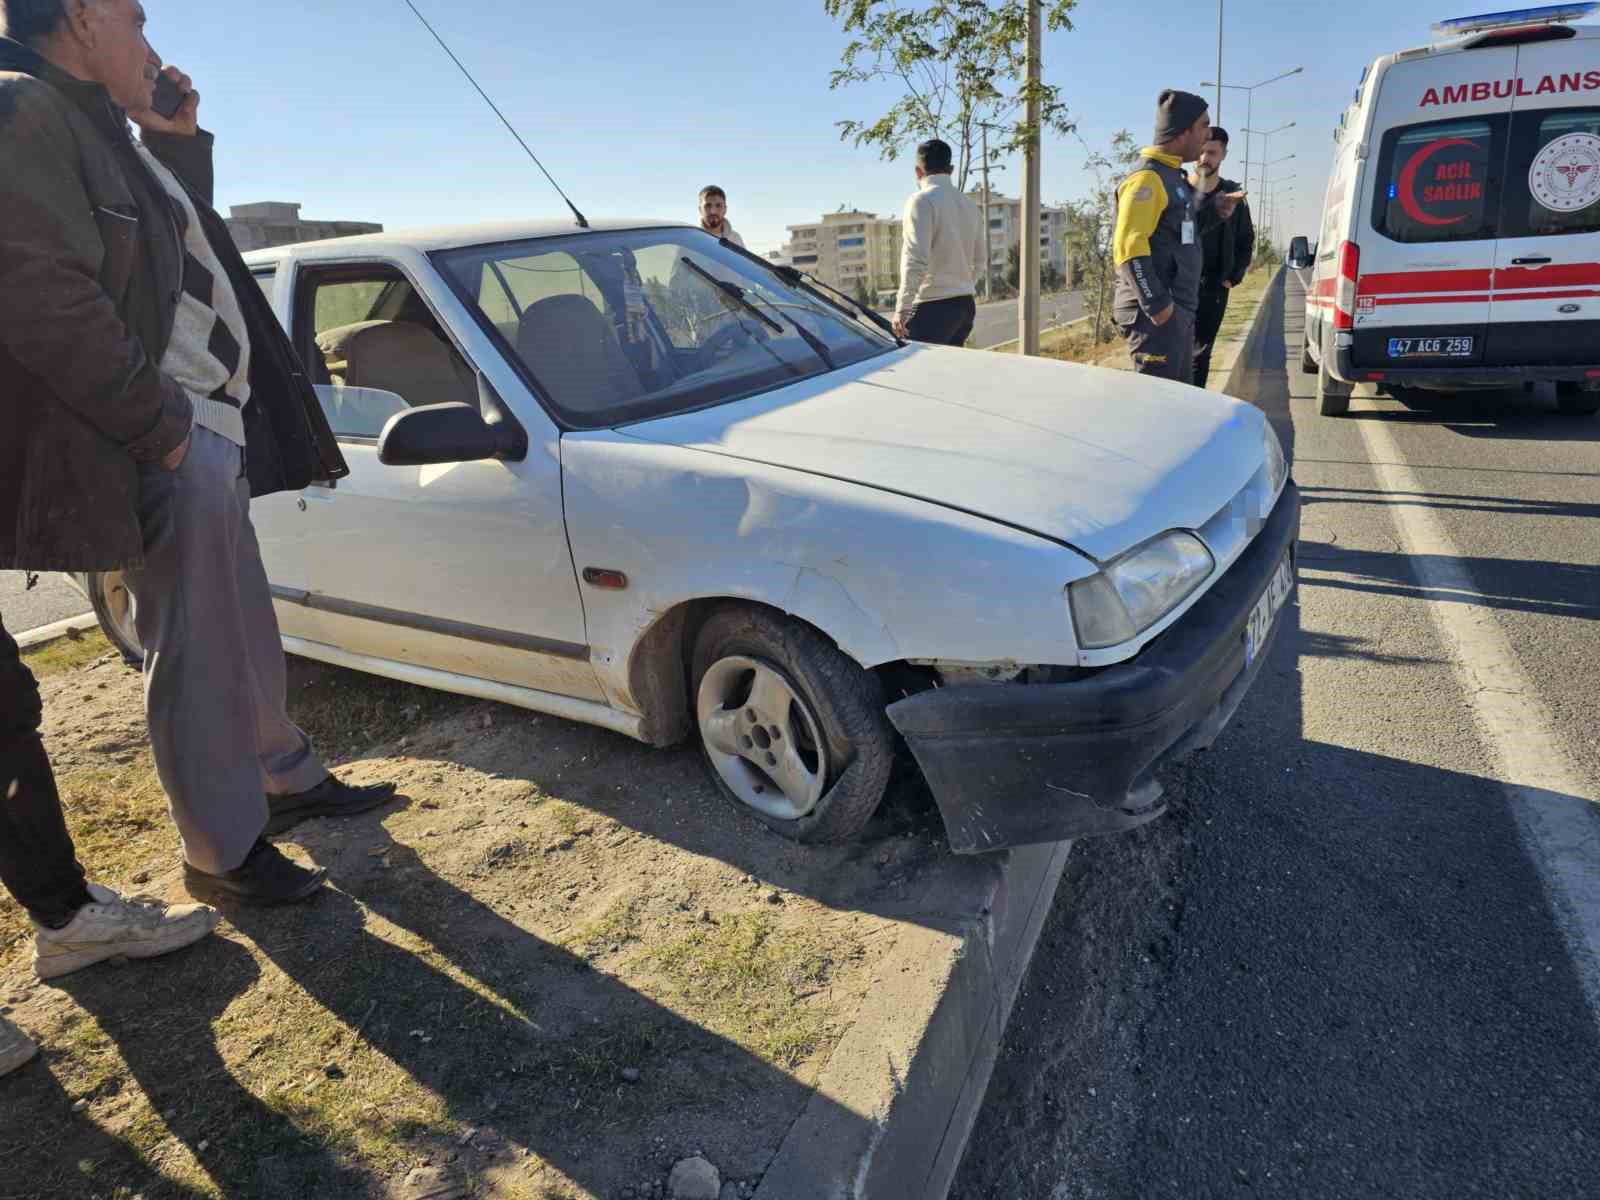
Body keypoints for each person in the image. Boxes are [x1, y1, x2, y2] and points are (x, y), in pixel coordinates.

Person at [0, 0, 398, 1012]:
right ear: (81, 17)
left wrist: (174, 142)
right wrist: (164, 426)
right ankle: (222, 848)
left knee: (241, 622)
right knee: (199, 642)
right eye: (133, 18)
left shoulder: (95, 126)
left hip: (198, 423)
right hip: (163, 434)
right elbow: (38, 292)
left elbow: (181, 256)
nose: (151, 40)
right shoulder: (26, 111)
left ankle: (282, 773)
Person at [1112, 89, 1240, 383]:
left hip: (1176, 314)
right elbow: (1129, 246)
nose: (1208, 135)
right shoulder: (1148, 179)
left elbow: (1178, 235)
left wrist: (1213, 211)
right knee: (1158, 410)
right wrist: (1158, 307)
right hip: (1155, 319)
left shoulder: (1174, 178)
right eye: (1203, 126)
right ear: (1183, 132)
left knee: (1179, 403)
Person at [894, 138, 982, 346]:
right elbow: (981, 261)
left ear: (918, 172)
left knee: (916, 375)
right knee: (948, 374)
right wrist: (962, 286)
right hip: (965, 306)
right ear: (950, 169)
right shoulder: (970, 205)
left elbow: (916, 258)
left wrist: (903, 307)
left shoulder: (921, 201)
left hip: (931, 308)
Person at [1190, 126, 1254, 386]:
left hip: (1214, 288)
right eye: (1202, 152)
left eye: (1212, 153)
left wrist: (1233, 277)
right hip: (1177, 287)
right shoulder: (1178, 191)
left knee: (1201, 356)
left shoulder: (1232, 196)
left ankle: (1194, 411)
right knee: (1171, 354)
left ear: (1223, 155)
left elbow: (1246, 240)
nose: (1205, 158)